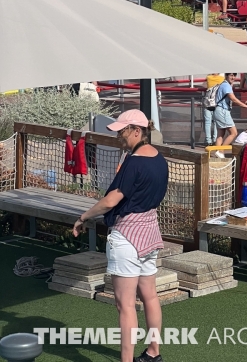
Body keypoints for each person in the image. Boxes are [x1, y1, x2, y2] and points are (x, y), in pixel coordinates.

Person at [73, 109, 168, 362]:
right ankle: (153, 353)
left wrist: (83, 217)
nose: (119, 138)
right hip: (150, 231)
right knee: (149, 295)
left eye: (122, 132)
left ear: (137, 131)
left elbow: (111, 200)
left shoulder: (134, 161)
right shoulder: (160, 159)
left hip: (127, 235)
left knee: (125, 305)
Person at [213, 73, 247, 157]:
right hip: (223, 111)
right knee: (234, 133)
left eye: (234, 75)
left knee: (220, 133)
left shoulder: (223, 84)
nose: (233, 77)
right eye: (231, 75)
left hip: (218, 110)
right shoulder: (226, 86)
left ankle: (218, 152)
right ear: (226, 76)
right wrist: (245, 106)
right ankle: (220, 151)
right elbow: (233, 98)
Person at [203, 73, 224, 145]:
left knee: (207, 122)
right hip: (216, 103)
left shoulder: (208, 77)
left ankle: (208, 140)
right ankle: (215, 139)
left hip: (208, 103)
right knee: (216, 122)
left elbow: (204, 85)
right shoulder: (221, 79)